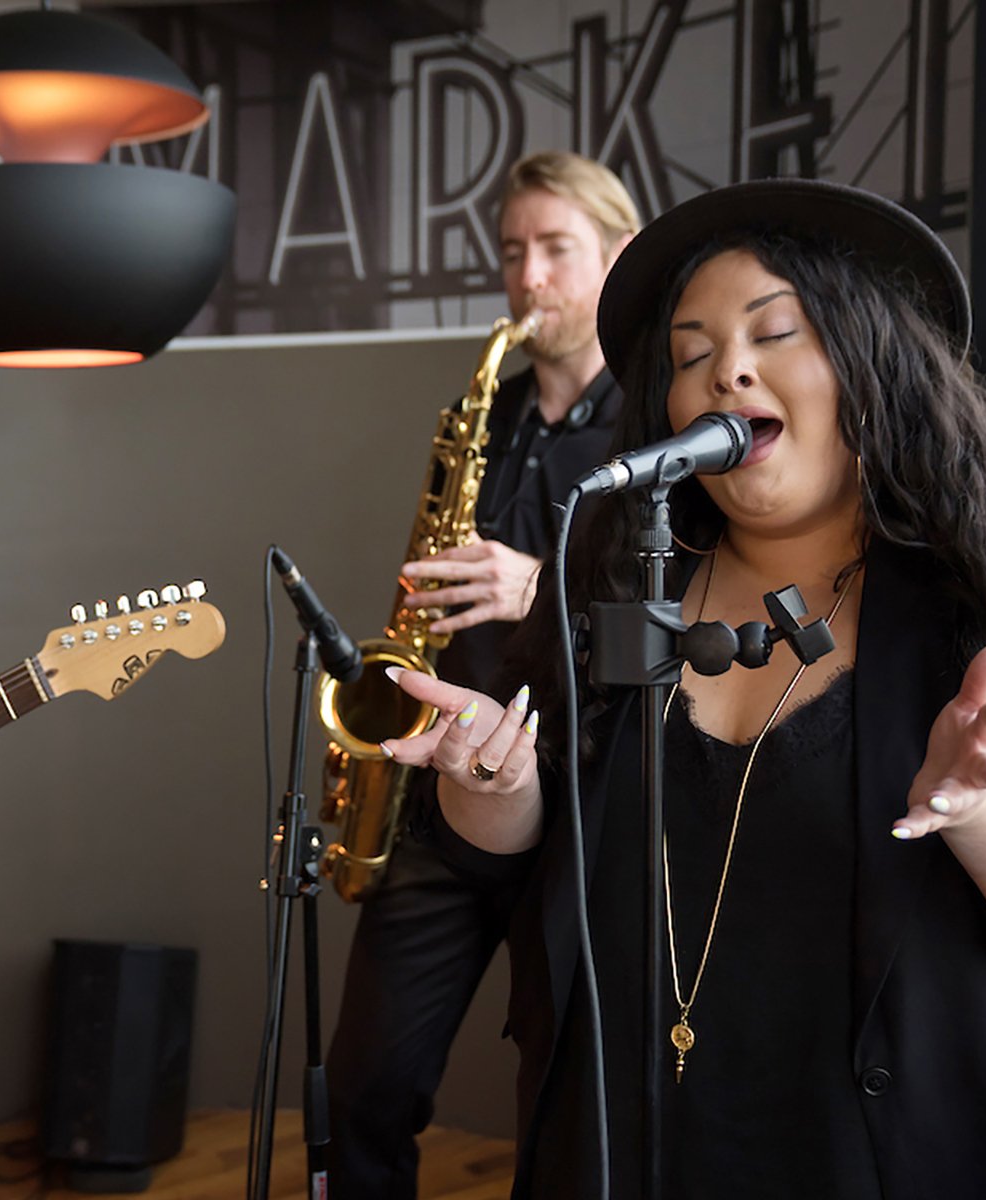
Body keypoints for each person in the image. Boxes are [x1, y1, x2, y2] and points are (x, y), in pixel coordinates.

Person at [379, 178, 986, 1198]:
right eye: (690, 354)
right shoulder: (619, 579)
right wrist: (495, 786)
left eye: (774, 333)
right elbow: (522, 874)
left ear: (871, 362)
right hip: (638, 1153)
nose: (726, 370)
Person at [325, 151, 638, 1198]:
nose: (528, 277)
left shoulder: (659, 425)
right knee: (364, 1083)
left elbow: (691, 608)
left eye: (556, 249)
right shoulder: (483, 412)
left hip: (586, 800)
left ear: (618, 257)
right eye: (513, 252)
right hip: (451, 781)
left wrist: (539, 583)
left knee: (565, 1102)